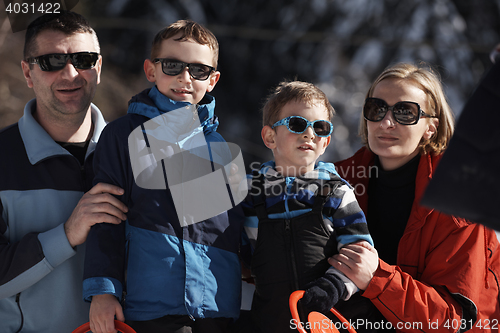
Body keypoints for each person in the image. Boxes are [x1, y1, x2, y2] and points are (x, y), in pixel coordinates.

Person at [83, 20, 242, 333]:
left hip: (215, 309)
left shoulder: (220, 146)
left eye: (198, 70)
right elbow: (105, 216)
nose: (185, 78)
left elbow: (230, 227)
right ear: (151, 70)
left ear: (213, 79)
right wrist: (103, 290)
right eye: (172, 66)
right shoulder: (122, 134)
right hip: (150, 307)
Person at [330, 62, 500, 332]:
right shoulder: (334, 183)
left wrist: (377, 278)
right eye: (376, 108)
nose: (386, 122)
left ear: (430, 128)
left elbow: (451, 321)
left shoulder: (458, 202)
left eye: (405, 113)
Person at [0, 11, 128, 333]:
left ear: (97, 68)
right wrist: (67, 234)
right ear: (28, 73)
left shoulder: (135, 154)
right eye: (51, 61)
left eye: (83, 59)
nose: (70, 73)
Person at [240, 80, 374, 333]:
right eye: (297, 124)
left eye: (320, 128)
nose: (310, 134)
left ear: (325, 143)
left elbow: (359, 250)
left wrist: (331, 287)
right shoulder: (250, 193)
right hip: (269, 320)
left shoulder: (336, 192)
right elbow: (241, 252)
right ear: (270, 136)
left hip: (326, 318)